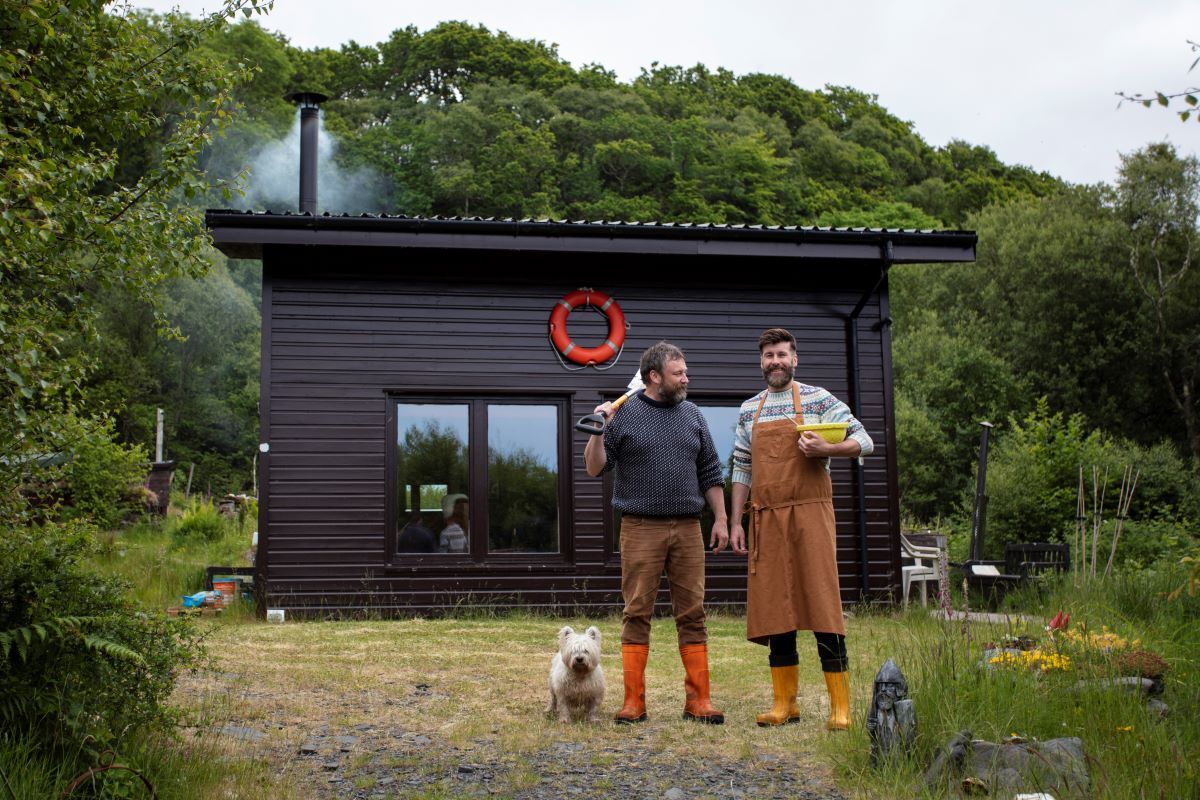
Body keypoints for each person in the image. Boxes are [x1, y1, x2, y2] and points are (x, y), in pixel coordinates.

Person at [727, 327, 874, 730]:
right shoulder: (748, 409)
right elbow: (741, 467)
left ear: (795, 359)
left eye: (782, 355)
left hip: (811, 513)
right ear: (761, 362)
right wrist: (737, 520)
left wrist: (828, 449)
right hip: (767, 516)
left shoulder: (818, 399)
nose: (775, 362)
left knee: (821, 601)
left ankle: (839, 708)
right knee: (777, 605)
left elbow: (864, 440)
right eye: (769, 356)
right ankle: (784, 705)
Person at [584, 341, 729, 724]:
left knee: (693, 614)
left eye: (685, 371)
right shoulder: (624, 415)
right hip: (640, 527)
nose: (686, 378)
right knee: (636, 612)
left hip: (687, 528)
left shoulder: (693, 415)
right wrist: (599, 431)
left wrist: (721, 519)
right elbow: (595, 468)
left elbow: (711, 471)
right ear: (654, 376)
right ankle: (634, 702)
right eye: (679, 372)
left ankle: (699, 701)